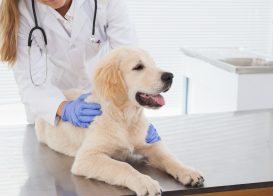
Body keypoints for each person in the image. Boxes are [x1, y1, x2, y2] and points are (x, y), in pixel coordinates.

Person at [0, 0, 160, 142]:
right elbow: (29, 83)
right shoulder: (23, 10)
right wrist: (64, 108)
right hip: (52, 110)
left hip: (102, 104)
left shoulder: (107, 2)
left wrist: (135, 120)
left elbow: (130, 61)